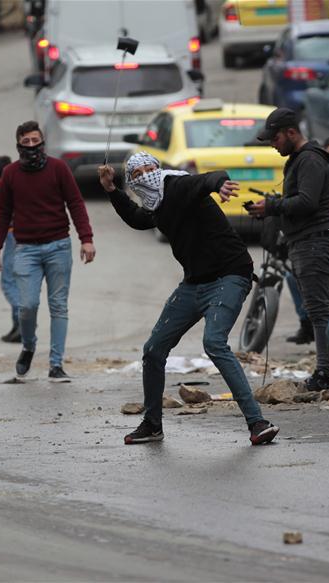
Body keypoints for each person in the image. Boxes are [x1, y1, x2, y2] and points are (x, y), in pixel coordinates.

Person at [98, 153, 280, 446]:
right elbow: (137, 218)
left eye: (150, 168)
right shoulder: (155, 204)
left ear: (160, 169)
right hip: (194, 283)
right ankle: (152, 424)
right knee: (153, 349)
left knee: (214, 342)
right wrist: (111, 190)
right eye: (138, 173)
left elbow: (206, 179)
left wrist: (220, 184)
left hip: (230, 274)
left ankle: (257, 422)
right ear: (132, 182)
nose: (147, 175)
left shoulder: (176, 185)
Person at [0, 121, 94, 382]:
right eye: (26, 142)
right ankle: (28, 345)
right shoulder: (11, 174)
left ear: (43, 142)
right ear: (18, 145)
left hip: (58, 245)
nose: (32, 146)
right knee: (27, 305)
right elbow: (2, 213)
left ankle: (56, 364)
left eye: (36, 141)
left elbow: (75, 202)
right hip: (25, 250)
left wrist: (86, 238)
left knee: (58, 306)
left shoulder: (58, 168)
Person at [248, 107, 329, 391]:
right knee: (315, 309)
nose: (273, 145)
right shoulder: (301, 159)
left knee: (318, 311)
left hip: (314, 242)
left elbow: (308, 202)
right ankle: (326, 369)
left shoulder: (310, 160)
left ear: (291, 132)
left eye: (275, 139)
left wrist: (273, 206)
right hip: (304, 241)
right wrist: (271, 208)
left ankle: (326, 372)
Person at [0, 155, 22, 343]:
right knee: (17, 282)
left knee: (8, 282)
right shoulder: (19, 186)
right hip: (24, 235)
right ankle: (16, 325)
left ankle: (23, 319)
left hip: (10, 235)